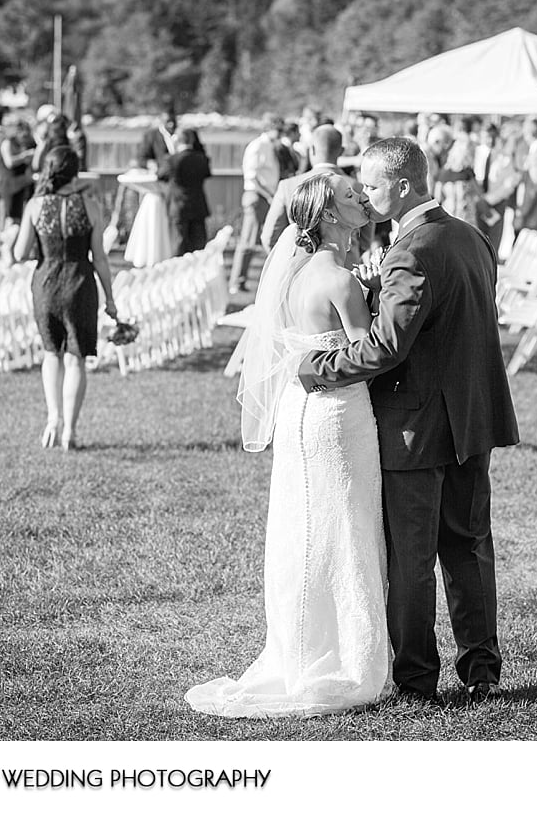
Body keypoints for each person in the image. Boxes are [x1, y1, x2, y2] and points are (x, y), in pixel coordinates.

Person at [297, 137, 520, 705]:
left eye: (370, 187)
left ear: (400, 186)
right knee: (468, 547)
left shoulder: (412, 251)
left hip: (416, 427)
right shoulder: (471, 236)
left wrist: (319, 367)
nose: (366, 198)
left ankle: (417, 679)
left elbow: (387, 348)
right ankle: (481, 670)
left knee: (413, 558)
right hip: (472, 416)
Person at [186, 171, 392, 717]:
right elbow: (369, 356)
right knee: (345, 525)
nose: (362, 198)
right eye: (351, 196)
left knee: (305, 527)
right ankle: (343, 658)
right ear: (327, 215)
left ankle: (298, 651)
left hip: (300, 411)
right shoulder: (341, 281)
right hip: (338, 413)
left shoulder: (300, 272)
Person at [13, 146, 117, 452]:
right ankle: (71, 431)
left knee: (51, 354)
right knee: (75, 359)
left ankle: (53, 418)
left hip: (46, 284)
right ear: (75, 171)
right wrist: (110, 299)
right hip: (80, 283)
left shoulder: (35, 205)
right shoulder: (90, 206)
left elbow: (19, 253)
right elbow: (100, 258)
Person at [262, 124, 351, 253]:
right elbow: (366, 239)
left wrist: (284, 260)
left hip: (301, 266)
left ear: (312, 150)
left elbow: (269, 236)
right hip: (346, 265)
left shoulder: (288, 186)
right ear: (341, 151)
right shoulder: (357, 187)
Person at [230, 114, 284, 293]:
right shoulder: (257, 146)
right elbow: (252, 176)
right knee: (248, 241)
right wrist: (269, 195)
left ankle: (243, 280)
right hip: (257, 196)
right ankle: (237, 281)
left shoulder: (269, 146)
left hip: (266, 195)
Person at [162, 128, 212, 255]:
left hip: (178, 206)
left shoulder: (172, 160)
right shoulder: (202, 159)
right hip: (198, 205)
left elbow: (161, 175)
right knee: (198, 247)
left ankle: (178, 273)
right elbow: (207, 174)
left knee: (179, 244)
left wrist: (173, 151)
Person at [473, 122, 520, 253]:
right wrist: (479, 199)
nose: (490, 140)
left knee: (493, 245)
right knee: (477, 242)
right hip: (477, 203)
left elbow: (508, 184)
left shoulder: (504, 157)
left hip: (496, 204)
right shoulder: (476, 153)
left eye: (492, 136)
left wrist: (488, 200)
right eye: (486, 136)